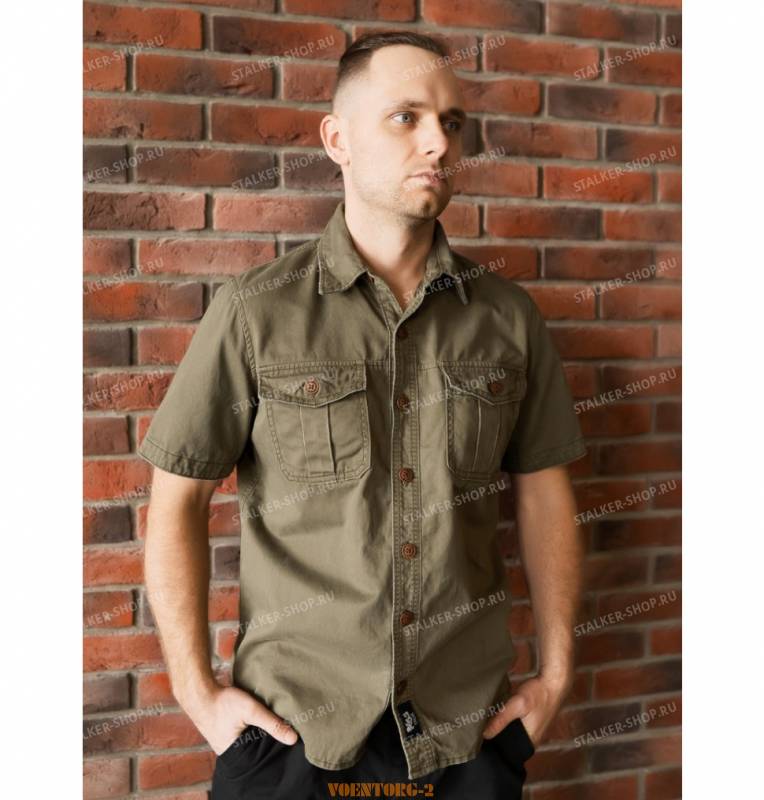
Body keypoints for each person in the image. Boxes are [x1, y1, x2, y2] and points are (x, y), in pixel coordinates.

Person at [138, 30, 586, 800]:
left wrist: (556, 676)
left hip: (466, 737)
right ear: (337, 140)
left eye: (452, 122)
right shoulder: (255, 314)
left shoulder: (508, 320)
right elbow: (176, 497)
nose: (438, 143)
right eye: (406, 117)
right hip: (292, 740)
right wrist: (196, 691)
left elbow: (545, 493)